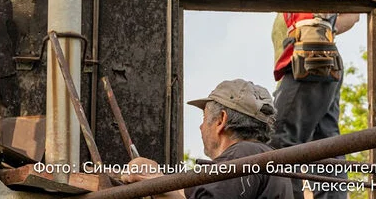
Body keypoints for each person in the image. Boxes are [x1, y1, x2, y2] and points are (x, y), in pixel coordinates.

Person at [122, 79, 293, 198]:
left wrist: (156, 182)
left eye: (204, 119)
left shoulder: (243, 154)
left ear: (220, 120)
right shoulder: (261, 157)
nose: (201, 127)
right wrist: (157, 181)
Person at [269, 13, 360, 199]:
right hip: (321, 63)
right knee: (325, 145)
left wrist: (325, 26)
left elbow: (353, 15)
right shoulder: (288, 10)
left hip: (309, 62)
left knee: (280, 142)